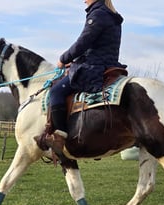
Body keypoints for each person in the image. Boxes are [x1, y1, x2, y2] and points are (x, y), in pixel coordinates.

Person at [36, 0, 126, 154]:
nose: (83, 0)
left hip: (94, 67)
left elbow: (83, 43)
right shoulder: (111, 15)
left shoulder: (98, 14)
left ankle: (60, 137)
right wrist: (75, 61)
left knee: (56, 92)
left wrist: (63, 59)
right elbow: (96, 46)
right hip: (106, 63)